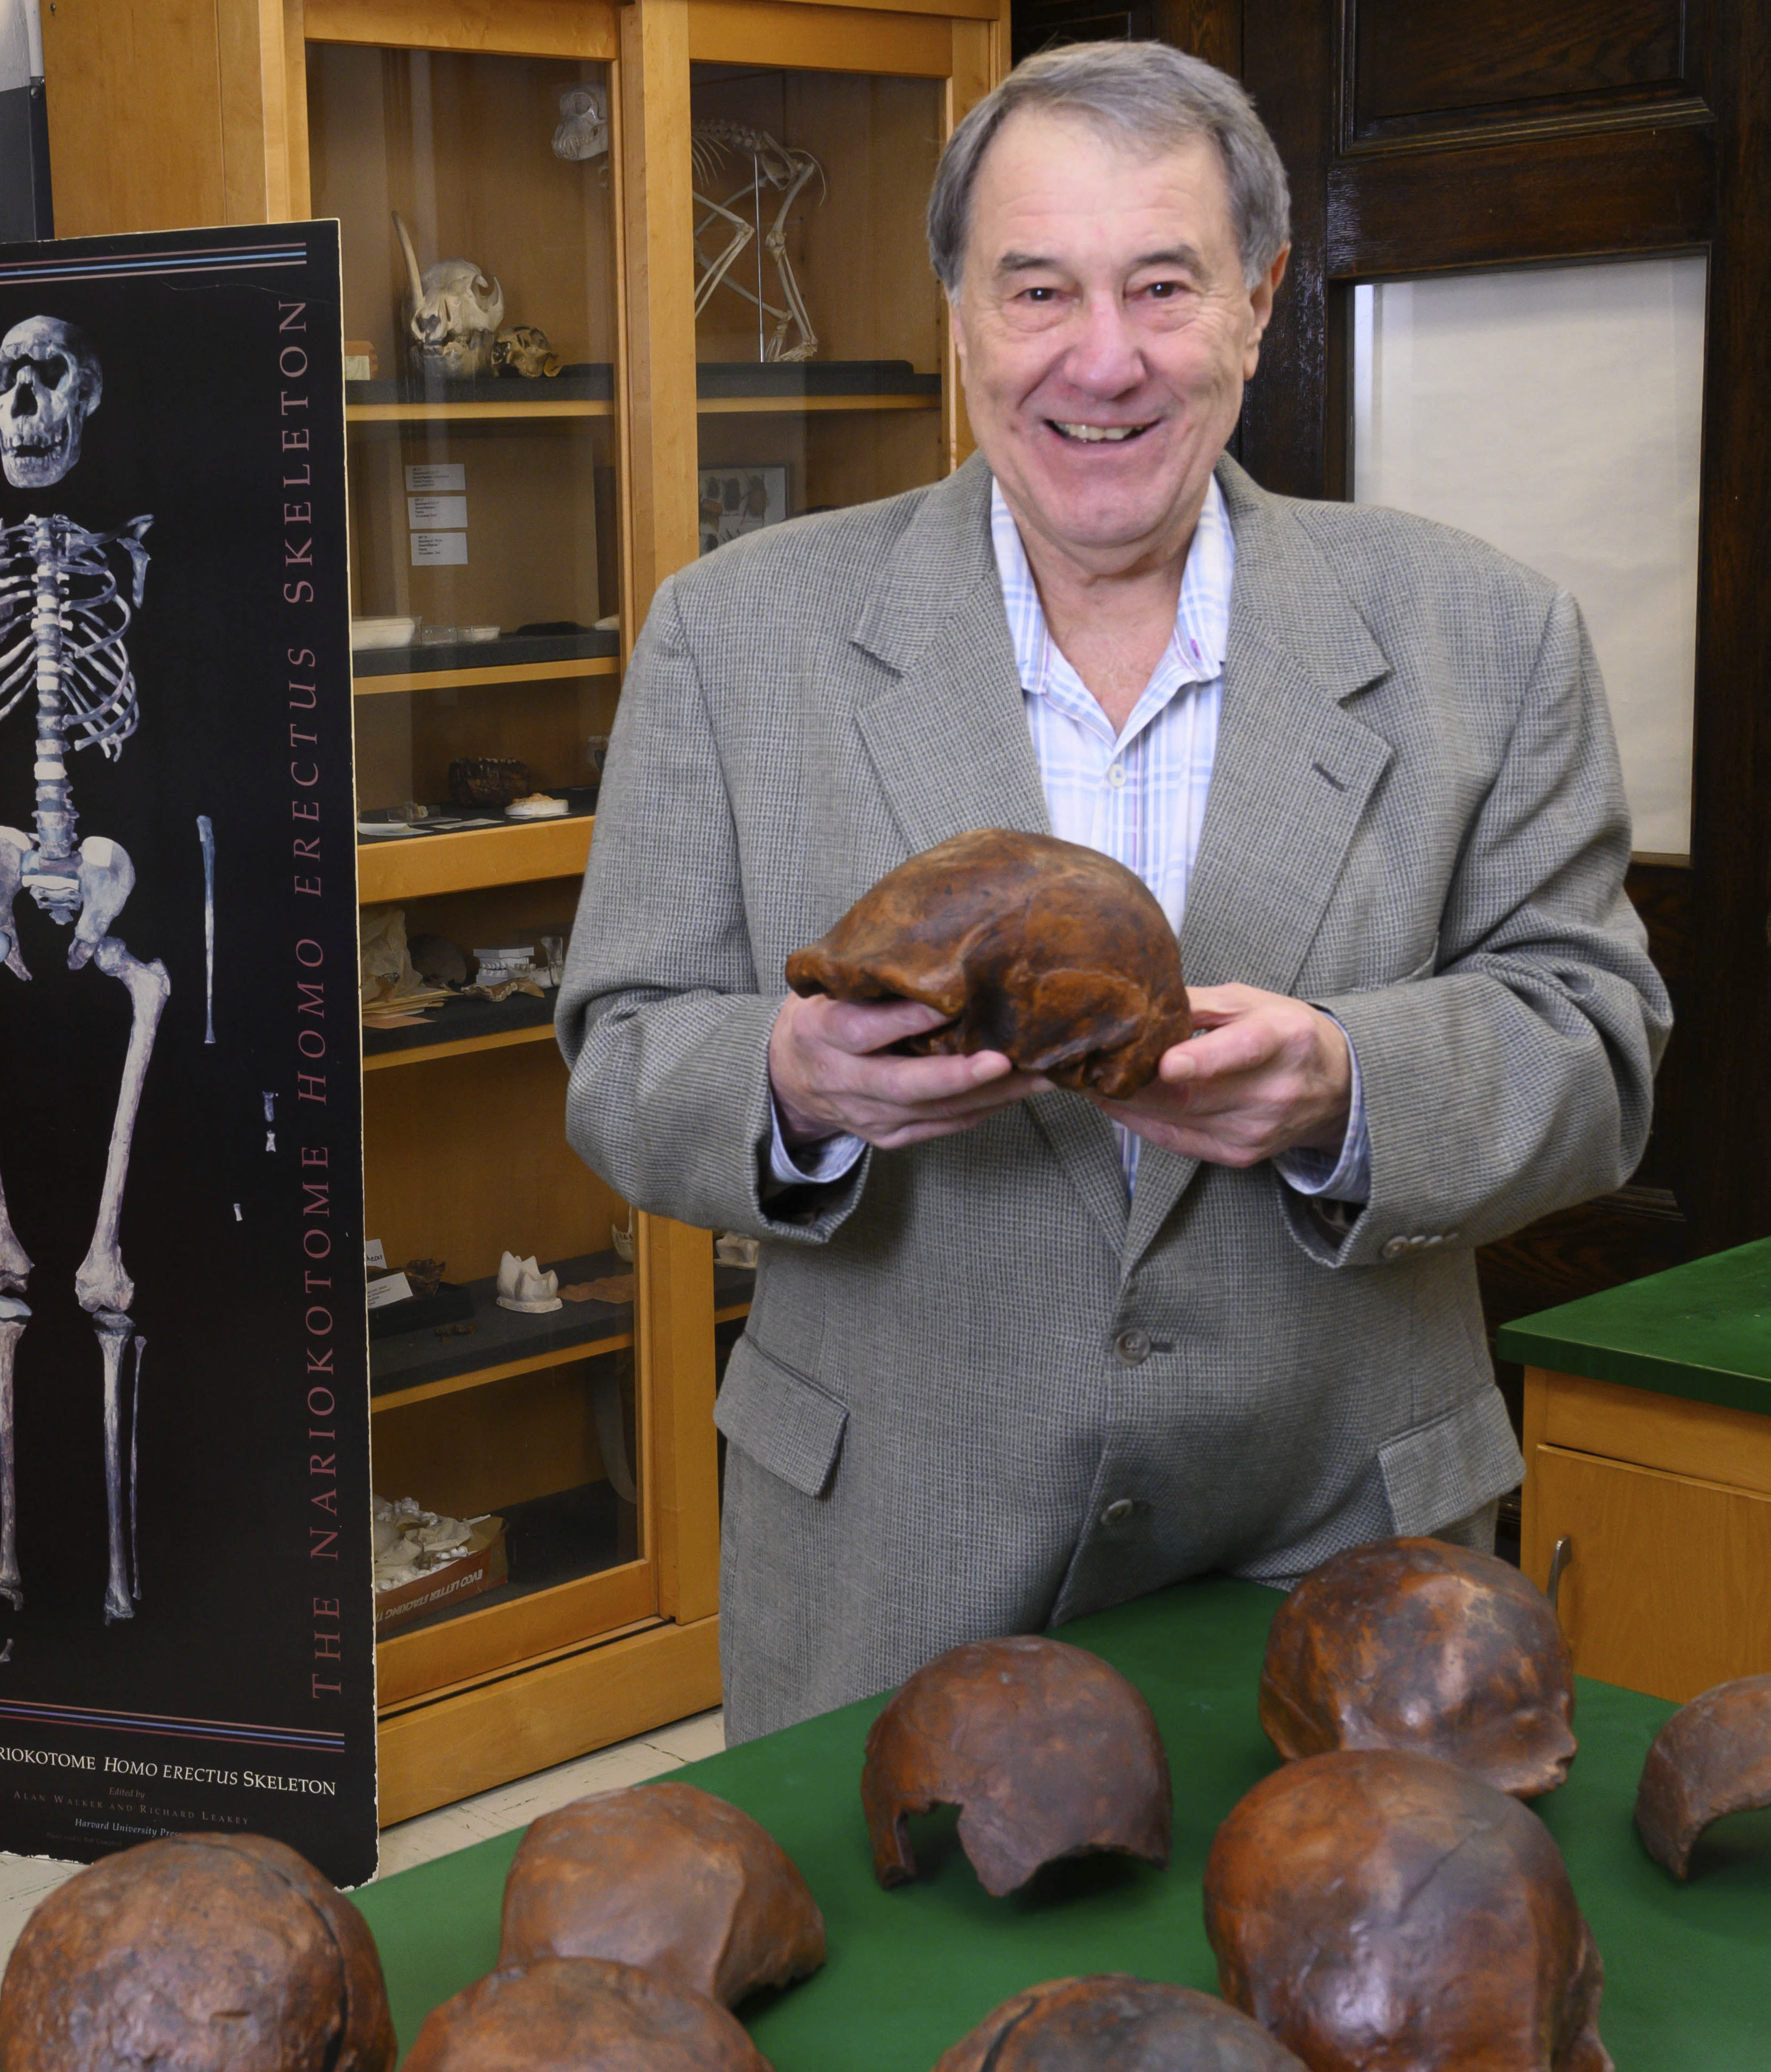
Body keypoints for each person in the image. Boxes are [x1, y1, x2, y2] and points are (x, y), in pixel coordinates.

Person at [556, 41, 1671, 1741]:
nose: (1102, 359)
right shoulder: (734, 633)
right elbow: (618, 1053)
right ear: (955, 311)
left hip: (1342, 1557)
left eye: (1163, 285)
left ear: (1258, 303)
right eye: (1036, 291)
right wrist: (789, 1088)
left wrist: (1347, 1089)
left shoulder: (1484, 636)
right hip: (887, 1559)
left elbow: (1596, 1053)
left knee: (1359, 2000)